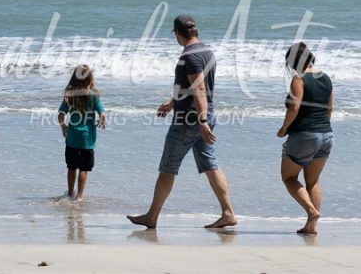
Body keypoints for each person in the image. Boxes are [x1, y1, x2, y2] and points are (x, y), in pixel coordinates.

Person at [127, 14, 237, 229]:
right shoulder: (207, 52)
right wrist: (173, 103)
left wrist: (201, 121)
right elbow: (194, 87)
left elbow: (200, 89)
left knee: (168, 166)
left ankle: (152, 216)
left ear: (178, 33)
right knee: (210, 164)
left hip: (190, 120)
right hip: (205, 115)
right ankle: (228, 213)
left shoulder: (189, 56)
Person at [276, 42, 334, 235]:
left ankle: (311, 211)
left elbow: (294, 107)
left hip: (304, 135)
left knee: (289, 177)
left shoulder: (299, 79)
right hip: (326, 134)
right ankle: (312, 226)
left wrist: (284, 128)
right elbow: (329, 109)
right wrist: (322, 129)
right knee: (313, 180)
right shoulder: (326, 78)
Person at [57, 64, 106, 201]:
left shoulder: (70, 96)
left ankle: (70, 193)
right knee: (83, 169)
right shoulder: (94, 96)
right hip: (87, 140)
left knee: (71, 167)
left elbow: (60, 115)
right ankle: (79, 196)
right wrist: (102, 118)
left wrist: (63, 127)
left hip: (72, 138)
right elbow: (102, 112)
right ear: (90, 79)